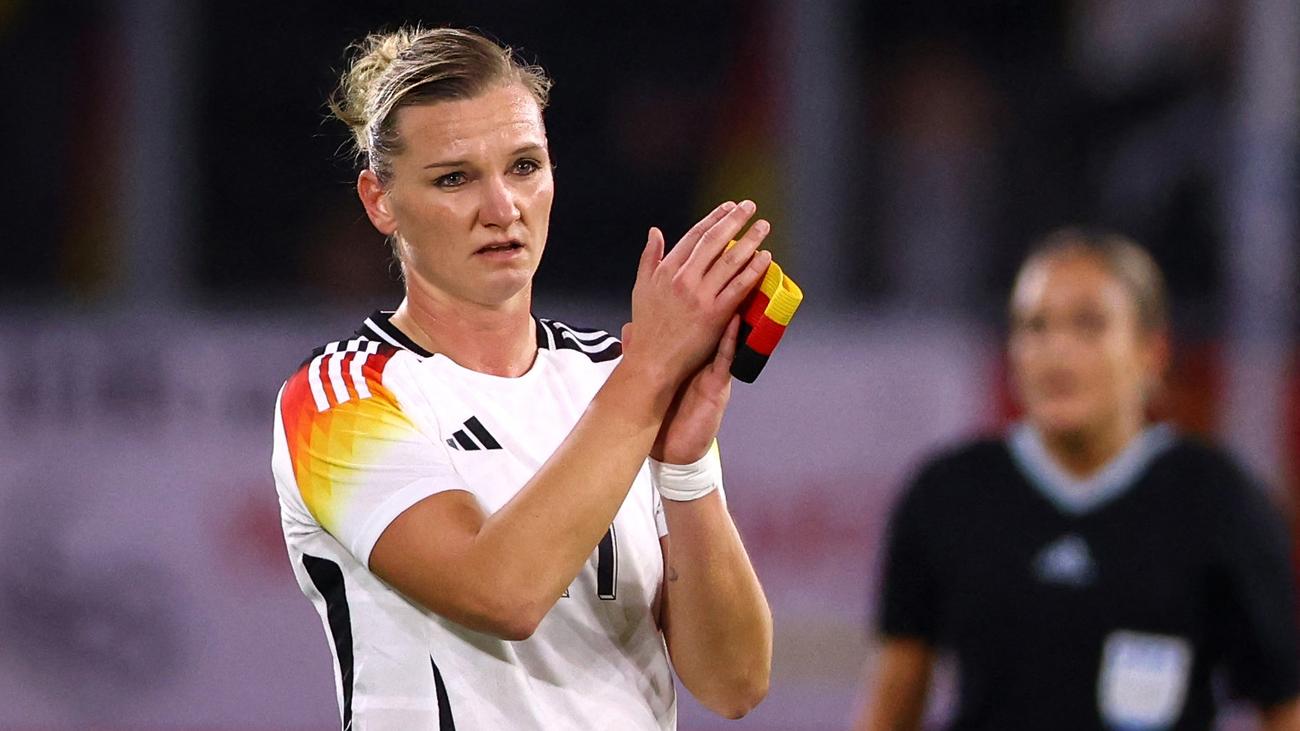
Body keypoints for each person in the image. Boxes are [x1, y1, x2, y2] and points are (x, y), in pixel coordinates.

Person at [270, 26, 774, 730]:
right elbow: (500, 591)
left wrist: (686, 468)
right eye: (454, 178)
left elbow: (735, 683)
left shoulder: (613, 376)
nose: (503, 208)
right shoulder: (341, 397)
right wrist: (649, 374)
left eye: (525, 166)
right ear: (379, 199)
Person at [853, 228, 1300, 731]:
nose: (1057, 350)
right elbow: (892, 704)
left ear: (1152, 351)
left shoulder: (1220, 502)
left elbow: (1284, 706)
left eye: (1088, 324)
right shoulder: (948, 494)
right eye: (1035, 326)